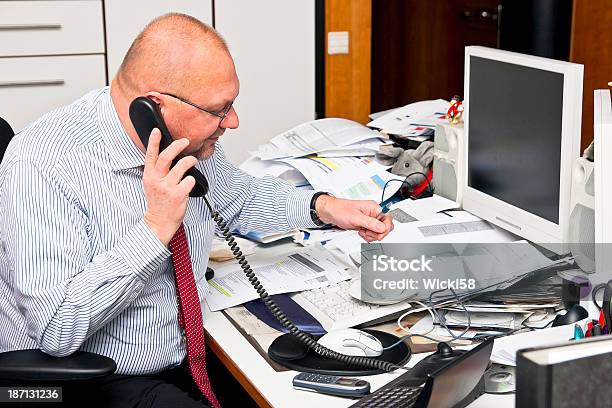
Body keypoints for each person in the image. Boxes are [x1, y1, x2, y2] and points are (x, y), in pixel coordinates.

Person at [0, 13, 393, 407]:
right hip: (96, 377)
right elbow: (56, 326)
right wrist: (155, 228)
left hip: (192, 351)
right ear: (154, 105)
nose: (233, 122)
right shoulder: (42, 165)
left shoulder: (181, 140)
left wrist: (323, 206)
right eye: (219, 110)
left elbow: (240, 200)